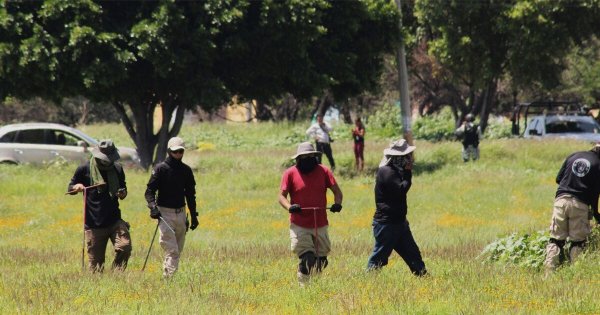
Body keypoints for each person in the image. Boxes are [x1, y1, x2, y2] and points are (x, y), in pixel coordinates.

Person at [278, 142, 343, 285]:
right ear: (298, 159)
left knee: (322, 261)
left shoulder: (324, 171)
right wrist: (290, 207)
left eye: (310, 156)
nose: (308, 159)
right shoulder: (290, 173)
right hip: (299, 224)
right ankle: (303, 286)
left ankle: (314, 285)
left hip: (320, 223)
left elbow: (337, 192)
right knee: (308, 258)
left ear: (315, 156)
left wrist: (337, 204)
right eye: (304, 157)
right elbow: (281, 197)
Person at [67, 139, 131, 272]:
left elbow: (123, 190)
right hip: (94, 223)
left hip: (114, 220)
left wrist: (122, 193)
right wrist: (77, 187)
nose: (107, 161)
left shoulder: (117, 169)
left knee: (125, 247)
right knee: (96, 268)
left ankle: (116, 276)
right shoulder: (84, 169)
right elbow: (70, 188)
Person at [366, 139, 427, 276]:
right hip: (387, 224)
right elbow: (401, 190)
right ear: (398, 157)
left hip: (398, 222)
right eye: (407, 156)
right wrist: (408, 173)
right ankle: (367, 280)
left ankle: (423, 276)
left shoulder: (394, 171)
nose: (410, 158)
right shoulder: (387, 172)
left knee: (413, 254)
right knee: (379, 257)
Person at [145, 136, 198, 278]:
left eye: (181, 151)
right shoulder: (160, 169)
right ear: (169, 151)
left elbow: (191, 195)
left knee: (177, 251)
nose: (178, 154)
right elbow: (149, 191)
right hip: (165, 214)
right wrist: (153, 207)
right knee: (173, 251)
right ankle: (168, 280)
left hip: (181, 214)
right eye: (175, 151)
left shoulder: (186, 171)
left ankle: (167, 275)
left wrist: (193, 216)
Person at [544, 144, 600, 272]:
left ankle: (548, 272)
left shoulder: (573, 156)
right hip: (579, 204)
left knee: (556, 239)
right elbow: (595, 194)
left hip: (560, 201)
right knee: (578, 241)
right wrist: (596, 214)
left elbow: (558, 179)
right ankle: (575, 272)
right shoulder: (598, 165)